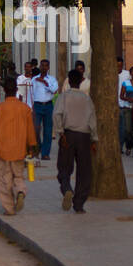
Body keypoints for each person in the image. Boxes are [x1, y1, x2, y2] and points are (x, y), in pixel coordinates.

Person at [0, 76, 38, 214]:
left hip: (3, 150)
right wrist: (31, 147)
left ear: (4, 90)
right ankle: (21, 191)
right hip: (20, 150)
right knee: (19, 175)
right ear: (16, 90)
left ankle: (9, 208)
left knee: (4, 179)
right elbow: (30, 130)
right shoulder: (25, 109)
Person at [54, 68, 98, 212]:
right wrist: (94, 139)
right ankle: (79, 204)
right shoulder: (87, 99)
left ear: (69, 80)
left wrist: (60, 132)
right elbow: (92, 120)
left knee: (64, 167)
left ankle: (67, 188)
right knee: (84, 171)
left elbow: (57, 115)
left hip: (68, 135)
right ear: (81, 81)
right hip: (84, 136)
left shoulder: (64, 97)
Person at [32, 58, 59, 162]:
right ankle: (38, 148)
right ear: (39, 66)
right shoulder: (34, 79)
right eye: (42, 65)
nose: (43, 67)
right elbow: (31, 93)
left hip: (48, 106)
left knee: (48, 131)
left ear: (48, 67)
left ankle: (45, 153)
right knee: (36, 129)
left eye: (46, 66)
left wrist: (44, 82)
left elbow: (54, 90)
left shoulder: (52, 79)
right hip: (37, 106)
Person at [117, 56, 131, 153]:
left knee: (125, 129)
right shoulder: (109, 74)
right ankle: (119, 147)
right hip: (114, 106)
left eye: (120, 65)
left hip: (125, 105)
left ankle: (126, 146)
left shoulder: (127, 74)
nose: (118, 67)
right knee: (118, 129)